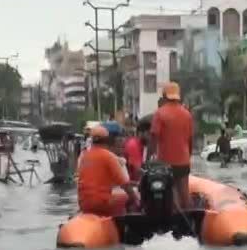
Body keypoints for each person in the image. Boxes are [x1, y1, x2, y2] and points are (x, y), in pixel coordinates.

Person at [149, 81, 194, 211]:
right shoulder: (187, 114)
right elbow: (190, 139)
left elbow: (154, 137)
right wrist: (188, 155)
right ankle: (191, 219)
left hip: (166, 162)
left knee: (171, 193)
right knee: (185, 194)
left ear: (164, 95)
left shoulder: (160, 113)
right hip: (184, 160)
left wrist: (149, 157)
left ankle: (176, 221)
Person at [78, 126, 140, 216]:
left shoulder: (84, 156)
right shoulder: (108, 157)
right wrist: (136, 200)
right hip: (102, 204)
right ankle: (122, 226)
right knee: (127, 197)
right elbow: (125, 184)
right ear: (108, 141)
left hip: (84, 204)